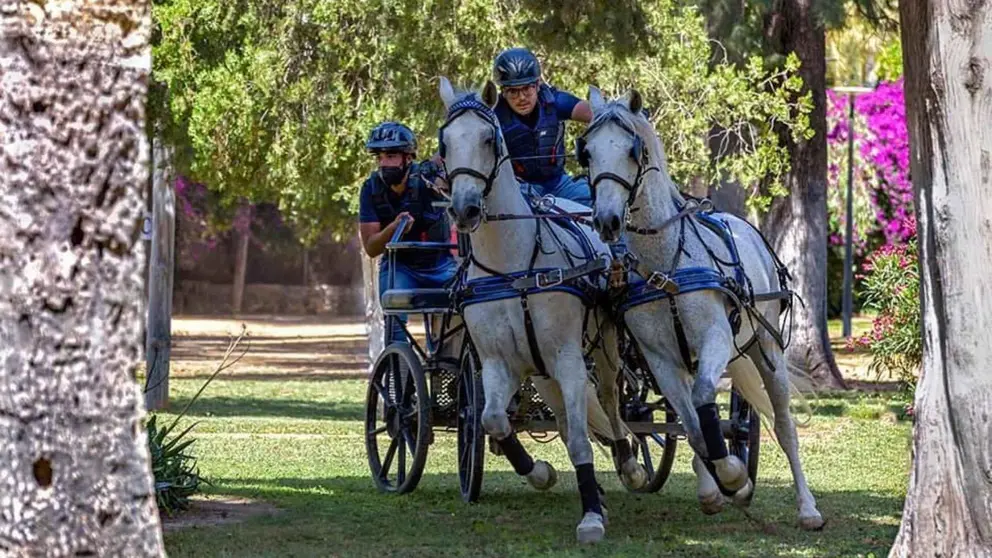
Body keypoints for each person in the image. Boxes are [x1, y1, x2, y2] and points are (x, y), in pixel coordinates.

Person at [358, 121, 457, 344]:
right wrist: (394, 228)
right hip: (399, 266)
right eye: (379, 157)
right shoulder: (370, 189)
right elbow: (371, 247)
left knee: (469, 309)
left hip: (441, 264)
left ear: (408, 157)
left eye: (391, 156)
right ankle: (400, 375)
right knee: (395, 329)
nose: (384, 163)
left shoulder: (428, 179)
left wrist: (441, 178)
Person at [492, 47, 594, 207]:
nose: (521, 98)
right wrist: (438, 166)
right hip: (519, 189)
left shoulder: (555, 102)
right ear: (503, 92)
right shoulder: (494, 115)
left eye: (527, 88)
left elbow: (598, 113)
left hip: (559, 183)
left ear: (538, 84)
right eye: (513, 91)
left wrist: (628, 114)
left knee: (597, 203)